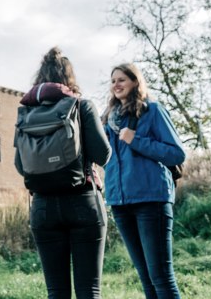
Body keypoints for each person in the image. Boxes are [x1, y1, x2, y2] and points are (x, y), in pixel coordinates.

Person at [22, 47, 111, 299]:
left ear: (40, 78)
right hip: (83, 200)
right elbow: (102, 155)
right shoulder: (81, 106)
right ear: (69, 78)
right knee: (89, 290)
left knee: (56, 293)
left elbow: (21, 165)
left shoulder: (26, 114)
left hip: (42, 207)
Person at [102, 63, 186, 299]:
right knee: (145, 277)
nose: (116, 85)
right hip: (120, 202)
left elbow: (176, 153)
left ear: (135, 82)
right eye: (113, 80)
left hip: (151, 199)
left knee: (161, 276)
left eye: (122, 80)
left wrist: (136, 139)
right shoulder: (108, 119)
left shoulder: (153, 111)